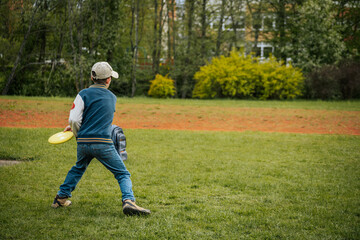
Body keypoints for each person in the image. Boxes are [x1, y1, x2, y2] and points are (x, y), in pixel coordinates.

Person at [51, 62, 150, 216]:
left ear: (92, 77)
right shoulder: (112, 97)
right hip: (103, 142)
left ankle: (60, 198)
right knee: (122, 174)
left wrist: (77, 134)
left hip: (83, 142)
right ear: (109, 80)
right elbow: (100, 117)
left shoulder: (82, 94)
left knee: (78, 168)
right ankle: (129, 201)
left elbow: (74, 120)